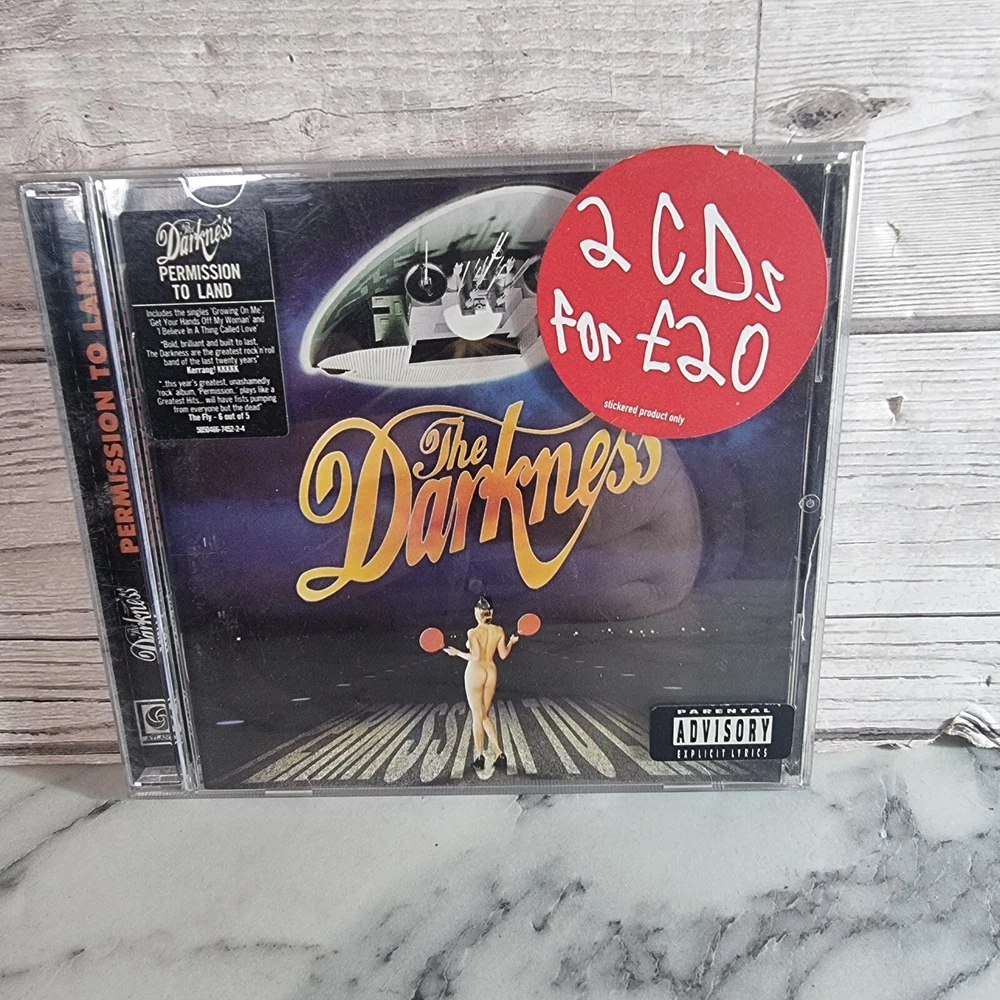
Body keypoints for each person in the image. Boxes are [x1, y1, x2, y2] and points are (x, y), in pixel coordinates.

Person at [444, 596, 518, 771]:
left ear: (477, 612)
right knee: (484, 715)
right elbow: (503, 655)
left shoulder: (473, 632)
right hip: (491, 671)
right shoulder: (499, 630)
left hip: (476, 672)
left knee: (477, 716)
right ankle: (499, 753)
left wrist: (456, 653)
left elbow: (475, 657)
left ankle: (479, 757)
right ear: (491, 612)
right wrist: (511, 642)